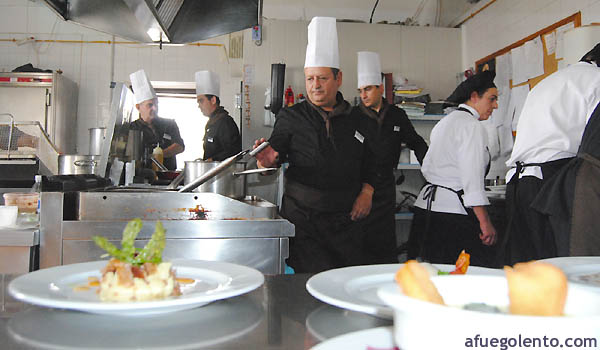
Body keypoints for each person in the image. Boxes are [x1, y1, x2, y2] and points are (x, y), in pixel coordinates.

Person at [253, 17, 378, 273]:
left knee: (343, 283)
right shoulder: (291, 116)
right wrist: (265, 163)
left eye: (322, 78)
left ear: (339, 78)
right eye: (310, 79)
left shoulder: (359, 119)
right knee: (308, 286)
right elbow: (273, 155)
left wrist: (367, 193)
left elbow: (373, 161)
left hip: (347, 220)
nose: (315, 86)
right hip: (304, 221)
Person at [502, 43, 600, 263]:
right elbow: (593, 142)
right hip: (552, 178)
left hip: (519, 182)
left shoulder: (549, 81)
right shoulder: (596, 80)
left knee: (526, 262)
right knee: (557, 263)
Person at [407, 70, 498, 267]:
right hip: (452, 215)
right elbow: (472, 179)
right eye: (491, 99)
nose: (495, 106)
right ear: (474, 97)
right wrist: (485, 222)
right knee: (462, 276)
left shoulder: (445, 122)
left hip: (426, 209)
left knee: (430, 274)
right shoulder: (471, 126)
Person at [355, 51, 428, 264]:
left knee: (385, 244)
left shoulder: (397, 115)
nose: (364, 95)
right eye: (360, 91)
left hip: (386, 188)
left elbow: (417, 143)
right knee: (360, 244)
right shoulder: (354, 117)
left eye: (368, 89)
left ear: (380, 87)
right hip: (358, 190)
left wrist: (434, 170)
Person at [129, 69, 184, 171]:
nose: (154, 108)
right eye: (150, 105)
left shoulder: (169, 124)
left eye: (156, 104)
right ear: (138, 107)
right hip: (142, 178)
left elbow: (179, 146)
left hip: (167, 177)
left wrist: (160, 154)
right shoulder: (132, 128)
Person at [195, 70, 242, 161]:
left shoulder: (225, 122)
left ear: (213, 100)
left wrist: (213, 160)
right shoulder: (212, 123)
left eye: (201, 101)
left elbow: (233, 151)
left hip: (223, 174)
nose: (199, 106)